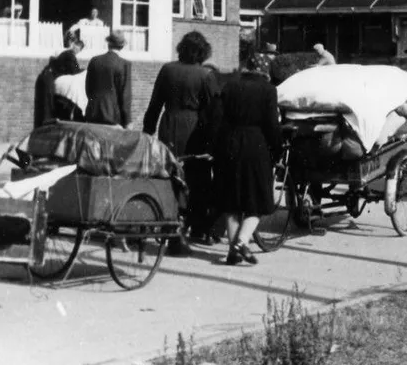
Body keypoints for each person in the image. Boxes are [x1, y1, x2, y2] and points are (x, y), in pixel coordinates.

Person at [143, 32, 220, 254]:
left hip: (168, 124)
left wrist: (148, 132)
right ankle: (196, 226)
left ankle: (172, 222)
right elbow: (212, 112)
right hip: (194, 129)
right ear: (203, 52)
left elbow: (154, 104)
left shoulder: (167, 70)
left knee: (170, 175)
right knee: (198, 178)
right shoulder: (206, 75)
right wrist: (212, 142)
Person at [214, 42, 282, 266]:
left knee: (232, 202)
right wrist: (277, 149)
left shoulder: (230, 86)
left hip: (229, 144)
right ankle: (242, 241)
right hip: (256, 145)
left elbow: (219, 119)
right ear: (264, 71)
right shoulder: (268, 90)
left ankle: (233, 252)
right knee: (258, 200)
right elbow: (272, 125)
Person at [85, 30, 132, 127]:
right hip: (113, 117)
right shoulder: (124, 64)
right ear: (122, 46)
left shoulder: (94, 61)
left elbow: (88, 89)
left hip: (92, 114)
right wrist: (128, 121)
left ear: (108, 44)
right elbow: (125, 96)